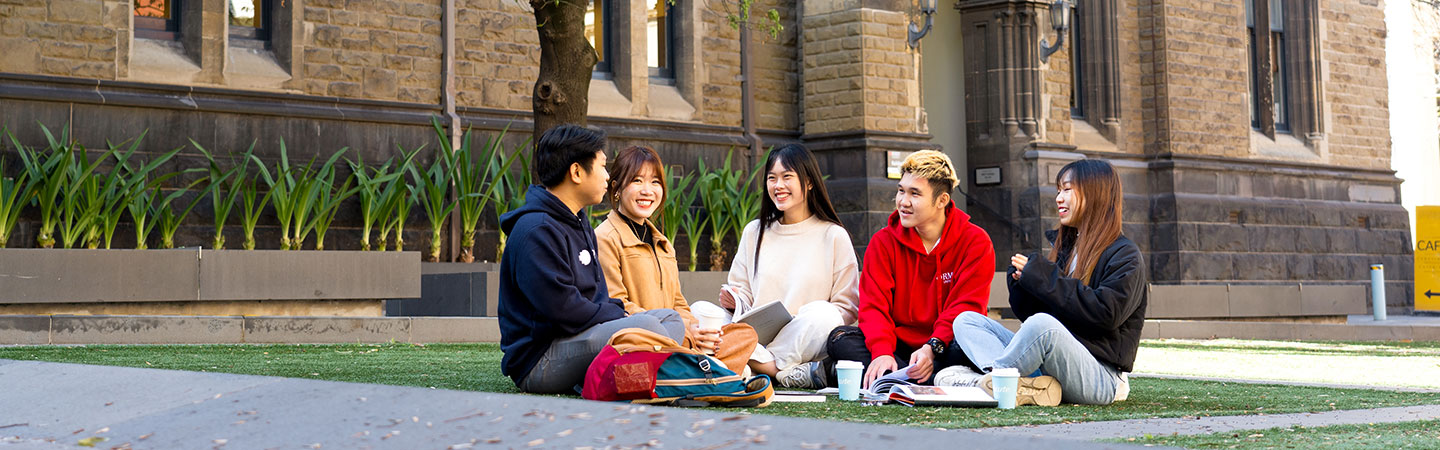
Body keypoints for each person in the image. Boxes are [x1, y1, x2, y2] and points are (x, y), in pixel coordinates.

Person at [937, 159, 1146, 407]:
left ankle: (987, 382)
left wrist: (1044, 278)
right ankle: (1016, 385)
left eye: (1067, 190)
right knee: (967, 320)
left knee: (1043, 325)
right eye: (1058, 190)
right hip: (1051, 370)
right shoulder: (1067, 249)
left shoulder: (1125, 255)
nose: (1058, 198)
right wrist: (1024, 287)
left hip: (1101, 378)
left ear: (1095, 193)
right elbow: (1040, 316)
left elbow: (1105, 313)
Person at [497, 125, 686, 394]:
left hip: (582, 337)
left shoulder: (578, 220)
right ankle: (661, 378)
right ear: (576, 172)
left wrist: (618, 313)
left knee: (670, 319)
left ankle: (638, 378)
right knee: (648, 325)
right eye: (603, 167)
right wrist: (621, 312)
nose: (608, 178)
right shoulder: (536, 230)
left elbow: (595, 297)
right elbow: (564, 310)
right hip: (540, 361)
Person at [824, 150, 995, 388]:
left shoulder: (975, 241)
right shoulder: (883, 242)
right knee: (840, 340)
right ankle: (926, 377)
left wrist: (931, 349)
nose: (903, 201)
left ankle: (893, 377)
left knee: (971, 344)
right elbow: (874, 307)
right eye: (901, 190)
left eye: (915, 194)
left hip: (945, 346)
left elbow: (965, 307)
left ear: (942, 200)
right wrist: (882, 351)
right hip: (898, 346)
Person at [593, 145, 759, 374]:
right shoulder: (605, 238)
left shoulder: (662, 243)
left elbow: (678, 303)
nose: (647, 191)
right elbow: (617, 304)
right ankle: (705, 369)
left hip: (677, 338)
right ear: (617, 188)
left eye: (655, 182)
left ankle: (697, 366)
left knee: (744, 334)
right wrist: (680, 332)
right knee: (690, 348)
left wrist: (695, 329)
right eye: (637, 181)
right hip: (641, 339)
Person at [714, 143, 860, 389]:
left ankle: (759, 367)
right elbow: (742, 292)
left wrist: (801, 327)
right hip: (756, 336)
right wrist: (734, 299)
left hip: (805, 339)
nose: (778, 186)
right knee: (701, 312)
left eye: (786, 177)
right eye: (772, 178)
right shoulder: (754, 231)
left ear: (809, 182)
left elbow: (846, 308)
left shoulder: (833, 235)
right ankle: (782, 372)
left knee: (825, 314)